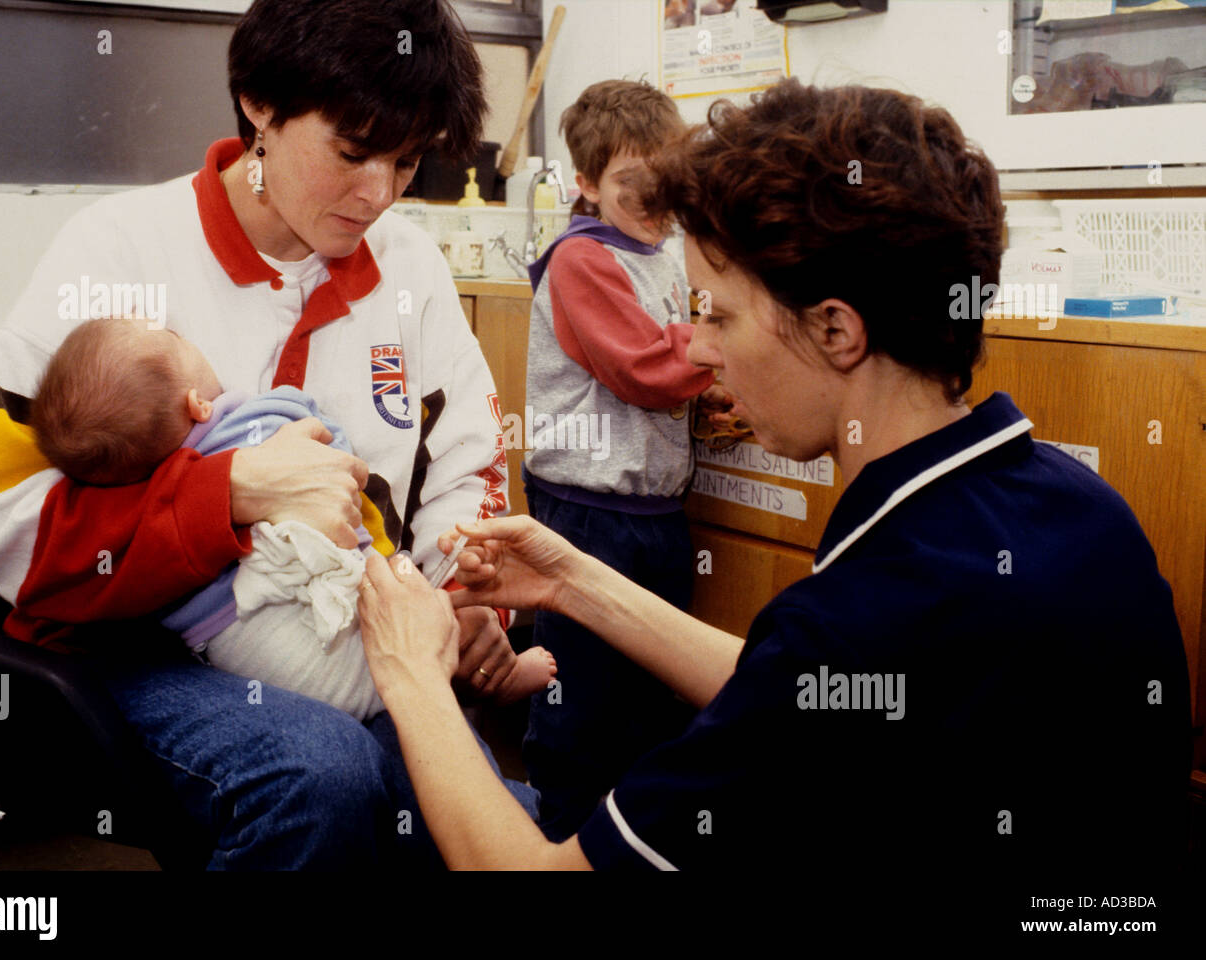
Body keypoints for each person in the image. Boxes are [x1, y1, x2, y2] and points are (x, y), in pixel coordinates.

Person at [354, 79, 1192, 879]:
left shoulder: (861, 618)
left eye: (717, 313)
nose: (704, 349)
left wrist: (411, 672)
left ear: (836, 329)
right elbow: (809, 690)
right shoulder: (1080, 510)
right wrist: (572, 580)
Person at [0, 0, 538, 869]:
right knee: (324, 775)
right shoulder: (115, 252)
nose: (379, 194)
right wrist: (231, 493)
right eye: (352, 152)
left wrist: (463, 590)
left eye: (407, 161)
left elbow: (466, 463)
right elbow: (15, 532)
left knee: (491, 818)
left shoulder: (412, 269)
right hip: (140, 647)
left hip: (347, 634)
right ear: (259, 104)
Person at [27, 316, 558, 717]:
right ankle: (494, 678)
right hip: (313, 617)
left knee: (377, 683)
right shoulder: (260, 416)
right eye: (180, 342)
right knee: (413, 668)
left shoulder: (139, 478)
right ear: (198, 404)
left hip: (229, 644)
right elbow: (338, 457)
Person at [522, 79, 716, 839]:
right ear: (588, 184)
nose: (656, 202)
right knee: (581, 700)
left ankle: (628, 839)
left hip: (655, 514)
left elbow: (675, 377)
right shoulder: (582, 259)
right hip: (589, 513)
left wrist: (715, 395)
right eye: (636, 187)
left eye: (669, 185)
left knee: (652, 696)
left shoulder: (665, 255)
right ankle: (558, 836)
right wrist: (724, 347)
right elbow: (644, 368)